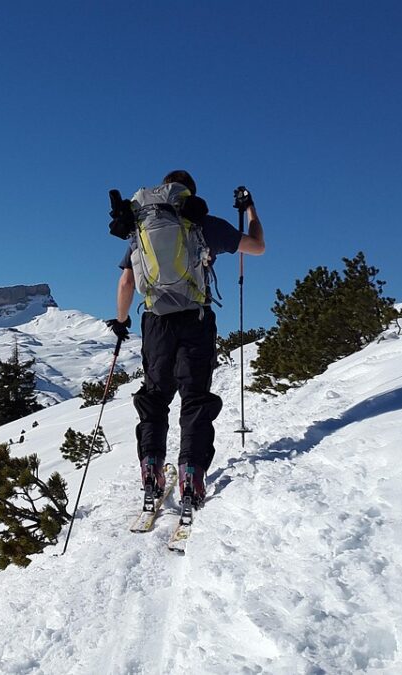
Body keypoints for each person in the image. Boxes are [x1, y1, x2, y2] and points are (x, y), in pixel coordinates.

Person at [106, 169, 266, 509]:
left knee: (154, 398)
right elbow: (258, 247)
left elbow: (126, 283)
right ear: (188, 194)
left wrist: (121, 322)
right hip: (195, 318)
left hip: (155, 323)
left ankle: (151, 467)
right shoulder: (203, 223)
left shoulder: (141, 227)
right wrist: (250, 210)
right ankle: (191, 472)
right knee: (194, 397)